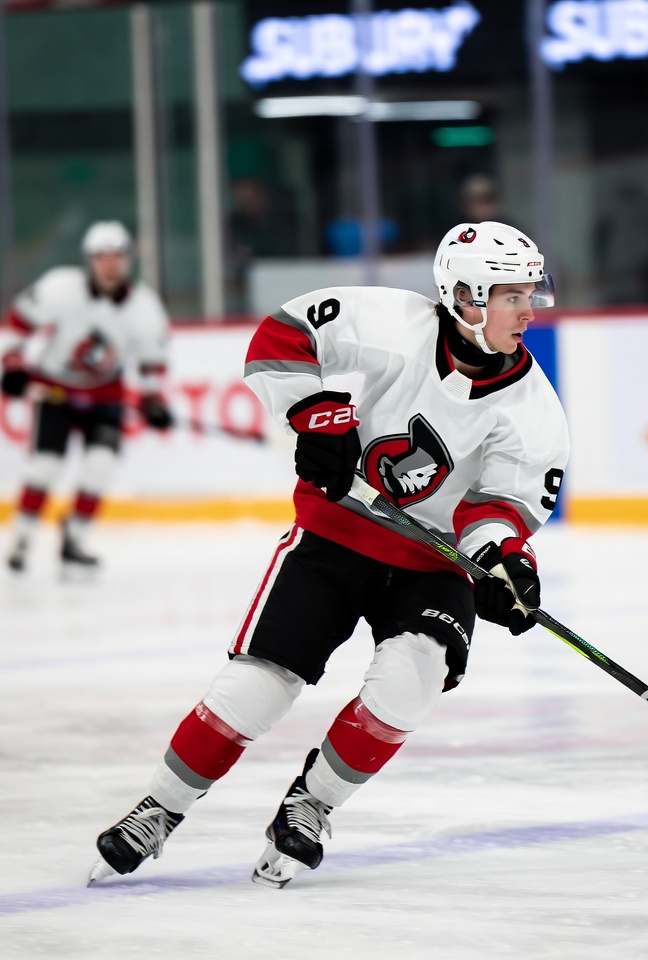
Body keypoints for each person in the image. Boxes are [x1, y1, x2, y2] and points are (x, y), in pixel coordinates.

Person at [87, 220, 569, 889]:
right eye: (510, 295)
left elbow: (502, 507)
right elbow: (282, 336)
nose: (529, 309)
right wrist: (314, 412)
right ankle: (158, 810)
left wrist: (503, 564)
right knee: (257, 684)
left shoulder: (534, 410)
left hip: (432, 566)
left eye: (530, 293)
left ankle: (312, 804)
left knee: (412, 681)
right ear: (462, 296)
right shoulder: (392, 323)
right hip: (338, 532)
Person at [1, 221, 173, 573]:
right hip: (55, 388)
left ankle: (75, 538)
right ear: (88, 260)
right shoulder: (60, 288)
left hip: (105, 394)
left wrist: (152, 400)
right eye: (101, 257)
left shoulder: (144, 306)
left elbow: (150, 363)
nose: (110, 264)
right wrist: (14, 365)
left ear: (128, 259)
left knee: (101, 467)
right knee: (45, 466)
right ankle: (22, 538)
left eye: (117, 256)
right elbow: (17, 323)